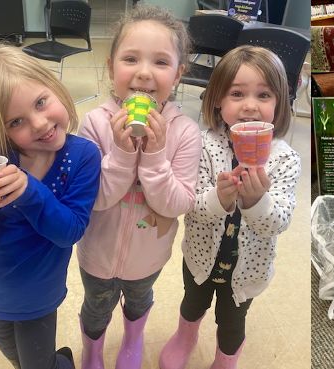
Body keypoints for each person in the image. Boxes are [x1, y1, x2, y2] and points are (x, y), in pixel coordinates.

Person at [0, 48, 102, 369]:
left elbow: (69, 231)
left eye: (41, 102)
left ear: (55, 87)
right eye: (17, 121)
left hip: (36, 301)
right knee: (16, 356)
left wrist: (30, 191)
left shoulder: (83, 156)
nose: (41, 123)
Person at [158, 45, 301, 369]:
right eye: (237, 94)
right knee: (192, 303)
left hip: (248, 267)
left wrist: (255, 201)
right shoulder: (201, 145)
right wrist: (219, 199)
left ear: (279, 104)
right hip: (199, 256)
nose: (250, 106)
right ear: (218, 99)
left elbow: (277, 222)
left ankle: (225, 360)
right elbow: (189, 205)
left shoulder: (284, 159)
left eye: (264, 95)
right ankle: (186, 336)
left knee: (232, 320)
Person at [74, 6, 201, 369]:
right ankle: (93, 349)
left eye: (161, 62)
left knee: (139, 300)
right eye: (131, 59)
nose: (144, 72)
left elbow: (177, 204)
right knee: (96, 307)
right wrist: (122, 153)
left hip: (149, 256)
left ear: (178, 74)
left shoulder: (185, 132)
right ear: (112, 66)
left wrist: (156, 156)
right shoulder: (94, 125)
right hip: (97, 253)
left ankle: (133, 339)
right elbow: (94, 200)